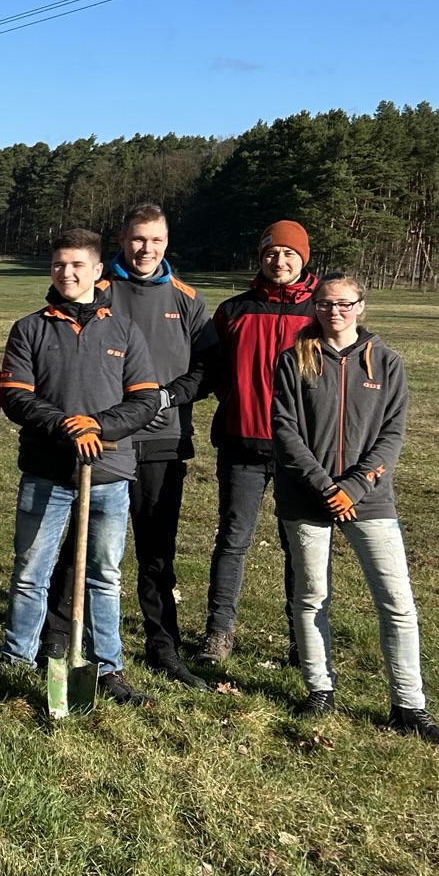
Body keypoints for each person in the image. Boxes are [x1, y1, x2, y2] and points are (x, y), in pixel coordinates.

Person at [270, 271, 439, 747]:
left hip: (370, 501)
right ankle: (319, 689)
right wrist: (323, 486)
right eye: (324, 304)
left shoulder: (387, 363)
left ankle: (408, 704)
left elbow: (391, 435)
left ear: (360, 306)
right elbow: (285, 430)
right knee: (311, 597)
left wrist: (355, 486)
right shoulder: (294, 360)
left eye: (343, 303)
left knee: (397, 604)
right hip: (306, 498)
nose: (333, 312)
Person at [46, 204, 216, 688]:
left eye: (156, 241)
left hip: (162, 440)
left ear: (167, 243)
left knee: (156, 548)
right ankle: (57, 634)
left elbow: (207, 369)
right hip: (100, 441)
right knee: (82, 543)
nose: (146, 249)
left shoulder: (186, 298)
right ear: (122, 241)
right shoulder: (98, 288)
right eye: (138, 239)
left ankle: (163, 644)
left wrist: (168, 396)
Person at [0, 228, 166, 705]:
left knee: (103, 575)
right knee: (31, 572)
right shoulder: (31, 328)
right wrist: (67, 427)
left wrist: (98, 426)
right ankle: (17, 662)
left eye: (76, 266)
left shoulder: (124, 330)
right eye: (58, 266)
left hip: (109, 474)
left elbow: (146, 398)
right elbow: (16, 396)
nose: (66, 274)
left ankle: (106, 667)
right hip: (46, 472)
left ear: (96, 271)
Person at [185, 219, 318, 666]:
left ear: (302, 259)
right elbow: (212, 370)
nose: (278, 262)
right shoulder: (234, 310)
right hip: (242, 444)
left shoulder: (320, 312)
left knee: (298, 545)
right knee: (233, 539)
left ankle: (304, 642)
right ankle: (219, 633)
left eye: (288, 254)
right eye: (270, 254)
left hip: (301, 453)